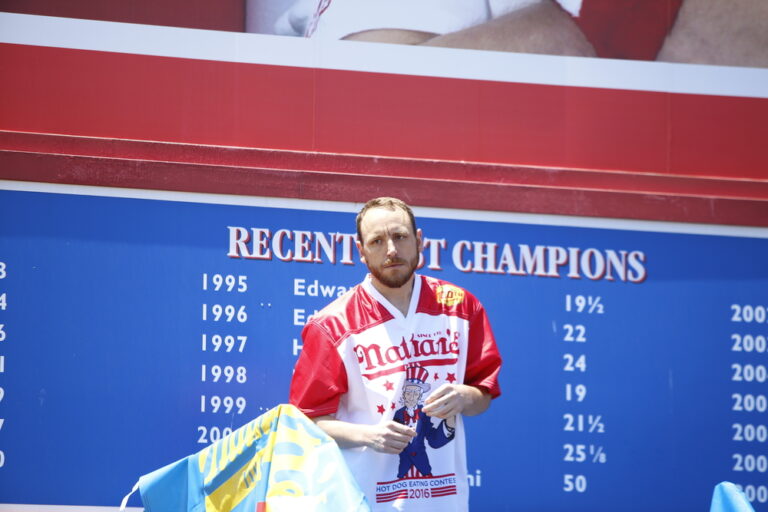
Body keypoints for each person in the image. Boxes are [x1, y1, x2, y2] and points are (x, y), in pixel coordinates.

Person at [289, 197, 502, 511]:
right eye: (377, 241)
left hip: (445, 502)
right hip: (365, 501)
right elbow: (305, 423)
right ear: (361, 251)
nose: (391, 250)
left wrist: (465, 396)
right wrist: (368, 435)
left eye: (400, 237)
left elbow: (482, 395)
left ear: (418, 241)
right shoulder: (333, 325)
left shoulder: (461, 307)